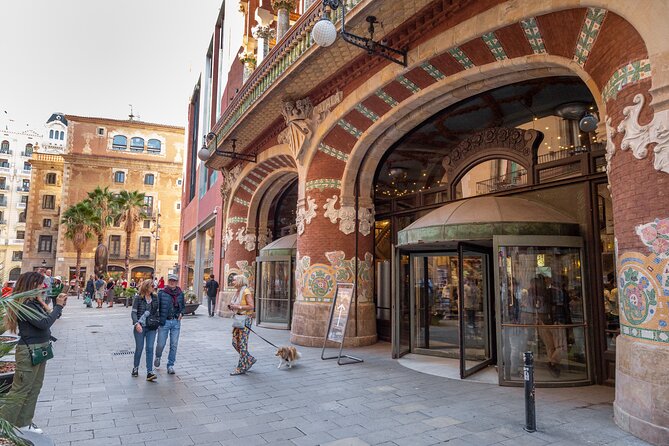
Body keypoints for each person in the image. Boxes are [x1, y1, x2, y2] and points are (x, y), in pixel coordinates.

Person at [0, 271, 67, 434]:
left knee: (35, 387)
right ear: (30, 285)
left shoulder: (33, 302)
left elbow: (49, 317)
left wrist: (45, 302)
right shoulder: (24, 305)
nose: (43, 286)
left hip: (40, 348)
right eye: (39, 284)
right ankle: (3, 426)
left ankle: (24, 422)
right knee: (20, 389)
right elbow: (44, 323)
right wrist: (57, 306)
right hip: (29, 350)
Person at [154, 274, 184, 375]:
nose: (172, 282)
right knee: (161, 344)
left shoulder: (180, 293)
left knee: (174, 344)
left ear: (177, 282)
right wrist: (158, 320)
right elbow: (156, 307)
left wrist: (181, 313)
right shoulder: (162, 293)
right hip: (164, 322)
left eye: (174, 281)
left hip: (176, 322)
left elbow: (183, 306)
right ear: (168, 281)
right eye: (170, 280)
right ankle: (158, 356)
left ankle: (170, 365)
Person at [131, 279, 160, 381]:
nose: (154, 288)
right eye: (152, 286)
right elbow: (133, 313)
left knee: (150, 348)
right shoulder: (138, 298)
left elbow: (157, 312)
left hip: (151, 327)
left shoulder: (155, 297)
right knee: (139, 348)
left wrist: (158, 324)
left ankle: (149, 372)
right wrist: (136, 323)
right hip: (140, 327)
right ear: (146, 287)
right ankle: (135, 367)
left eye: (154, 286)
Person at [228, 275, 256, 376]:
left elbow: (251, 306)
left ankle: (241, 368)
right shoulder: (237, 292)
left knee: (243, 344)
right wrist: (232, 307)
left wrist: (238, 306)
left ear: (240, 281)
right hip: (238, 319)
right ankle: (249, 359)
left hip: (245, 320)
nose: (233, 281)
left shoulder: (246, 291)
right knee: (235, 343)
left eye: (234, 280)